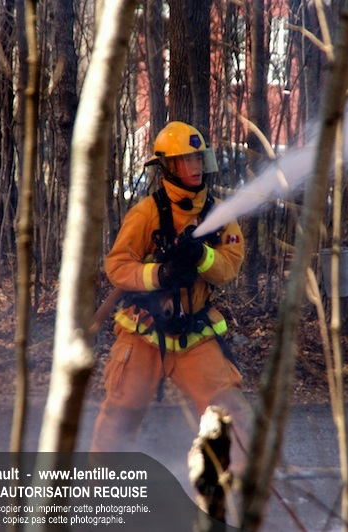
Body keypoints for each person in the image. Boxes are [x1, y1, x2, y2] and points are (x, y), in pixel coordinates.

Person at [90, 121, 251, 469]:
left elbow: (229, 266)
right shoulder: (146, 213)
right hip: (144, 330)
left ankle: (237, 487)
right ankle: (100, 484)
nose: (195, 166)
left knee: (229, 413)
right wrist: (160, 274)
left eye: (198, 158)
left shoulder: (219, 215)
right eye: (185, 160)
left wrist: (201, 255)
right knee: (120, 412)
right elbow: (117, 265)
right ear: (168, 167)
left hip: (195, 332)